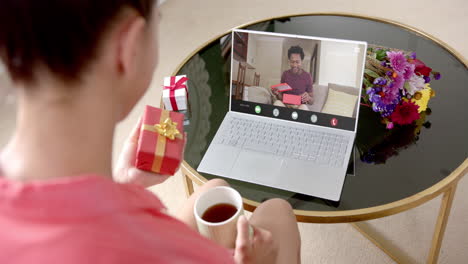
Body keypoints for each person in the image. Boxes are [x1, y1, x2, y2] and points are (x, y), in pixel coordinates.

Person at [0, 1, 301, 264]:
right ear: (128, 49)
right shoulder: (164, 253)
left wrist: (119, 185)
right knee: (277, 213)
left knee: (213, 189)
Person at [273, 45, 314, 111]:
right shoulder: (285, 74)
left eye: (297, 62)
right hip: (285, 105)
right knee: (277, 103)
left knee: (304, 108)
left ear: (301, 61)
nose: (294, 65)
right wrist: (277, 93)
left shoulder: (307, 76)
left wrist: (308, 98)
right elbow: (281, 97)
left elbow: (312, 101)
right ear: (289, 61)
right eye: (292, 62)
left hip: (299, 106)